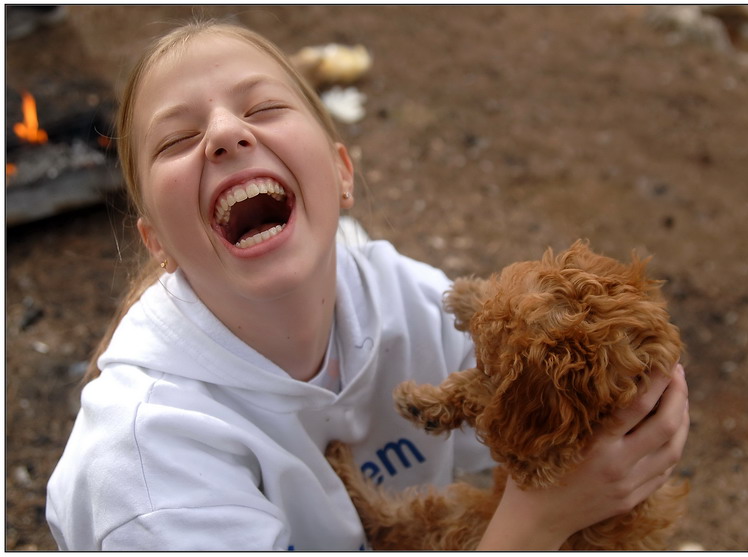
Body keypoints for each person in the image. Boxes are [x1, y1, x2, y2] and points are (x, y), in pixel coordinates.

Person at [45, 19, 690, 551]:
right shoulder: (147, 473)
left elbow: (548, 424)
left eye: (263, 107)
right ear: (158, 243)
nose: (223, 133)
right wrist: (539, 520)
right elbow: (539, 505)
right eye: (179, 138)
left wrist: (628, 419)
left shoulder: (403, 298)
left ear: (340, 174)